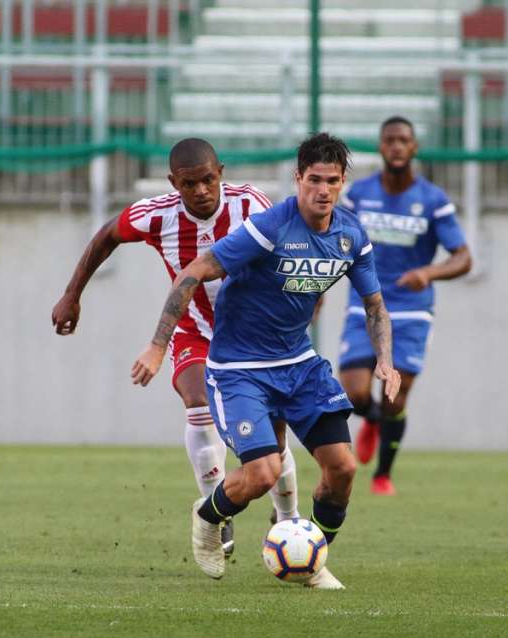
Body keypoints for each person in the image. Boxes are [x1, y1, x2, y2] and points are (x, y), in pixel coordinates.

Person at [131, 133, 401, 589]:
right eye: (313, 180)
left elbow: (375, 307)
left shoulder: (351, 235)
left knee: (343, 468)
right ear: (298, 179)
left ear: (342, 183)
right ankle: (208, 516)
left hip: (299, 365)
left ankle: (310, 557)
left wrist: (386, 362)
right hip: (240, 370)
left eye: (332, 181)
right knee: (263, 473)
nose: (322, 190)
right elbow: (194, 272)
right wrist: (158, 345)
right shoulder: (269, 227)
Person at [51, 138, 302, 558]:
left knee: (272, 434)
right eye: (189, 184)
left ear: (221, 173)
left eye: (208, 180)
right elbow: (107, 234)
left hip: (253, 337)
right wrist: (72, 295)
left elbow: (288, 249)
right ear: (173, 183)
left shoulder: (250, 204)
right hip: (195, 331)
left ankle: (288, 518)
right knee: (196, 400)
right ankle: (216, 512)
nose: (201, 190)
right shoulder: (158, 215)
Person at [338, 116, 471, 495]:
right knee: (355, 394)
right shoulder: (358, 195)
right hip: (365, 303)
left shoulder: (433, 200)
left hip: (411, 308)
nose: (396, 146)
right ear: (381, 147)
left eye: (403, 140)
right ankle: (372, 420)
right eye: (390, 140)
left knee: (394, 395)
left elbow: (463, 258)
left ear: (414, 147)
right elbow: (333, 240)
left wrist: (428, 272)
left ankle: (383, 474)